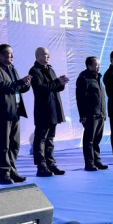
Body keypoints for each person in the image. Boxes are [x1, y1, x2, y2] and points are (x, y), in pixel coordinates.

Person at [0, 44, 32, 185]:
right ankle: (4, 174)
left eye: (12, 53)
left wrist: (26, 84)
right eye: (8, 53)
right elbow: (3, 87)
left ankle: (12, 171)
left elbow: (17, 88)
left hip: (15, 112)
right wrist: (19, 82)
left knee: (15, 145)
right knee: (3, 146)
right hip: (2, 113)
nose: (12, 56)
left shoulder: (12, 69)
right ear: (0, 55)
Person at [28, 47, 69, 177]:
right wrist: (57, 82)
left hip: (53, 108)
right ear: (37, 56)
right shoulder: (34, 71)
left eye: (48, 54)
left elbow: (55, 87)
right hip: (43, 110)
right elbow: (40, 89)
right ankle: (41, 166)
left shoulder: (50, 69)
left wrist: (61, 83)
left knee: (50, 138)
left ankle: (51, 164)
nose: (48, 56)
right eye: (45, 54)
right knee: (40, 139)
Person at [76, 56, 108, 171]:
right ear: (89, 66)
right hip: (90, 115)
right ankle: (89, 163)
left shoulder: (98, 78)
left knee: (97, 140)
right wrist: (83, 115)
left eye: (99, 65)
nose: (98, 67)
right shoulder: (83, 78)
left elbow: (101, 97)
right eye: (96, 65)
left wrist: (104, 112)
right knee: (89, 140)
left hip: (100, 114)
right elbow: (80, 98)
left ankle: (97, 161)